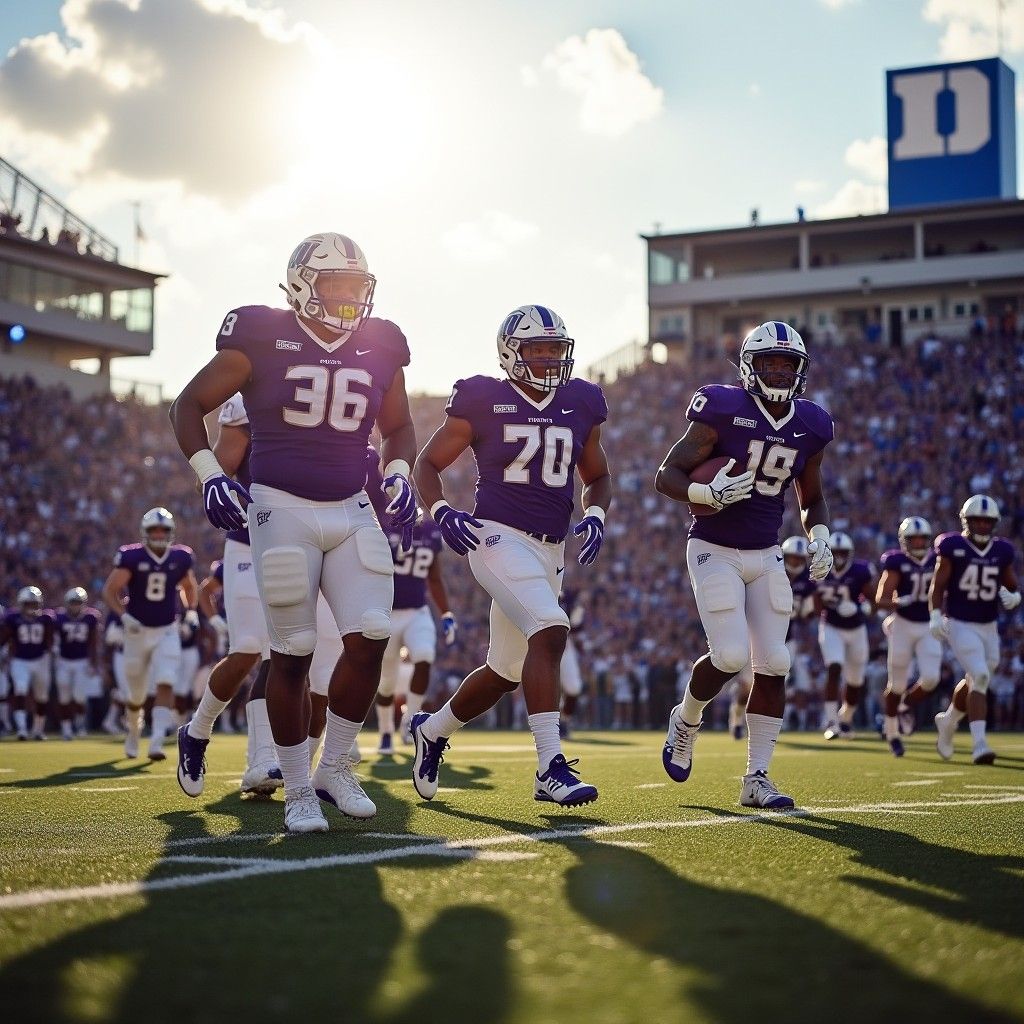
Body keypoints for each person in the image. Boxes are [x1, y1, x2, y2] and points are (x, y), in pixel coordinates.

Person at [169, 232, 418, 834]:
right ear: (304, 283)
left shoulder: (381, 342)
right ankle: (297, 787)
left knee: (371, 636)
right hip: (279, 504)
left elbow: (401, 423)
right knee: (292, 649)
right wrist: (208, 475)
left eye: (356, 286)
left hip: (352, 504)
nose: (347, 298)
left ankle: (334, 767)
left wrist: (402, 469)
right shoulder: (258, 332)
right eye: (335, 285)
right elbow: (187, 404)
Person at [410, 304, 612, 807]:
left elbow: (599, 476)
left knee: (504, 670)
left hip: (551, 548)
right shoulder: (482, 397)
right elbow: (427, 463)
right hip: (496, 537)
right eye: (536, 350)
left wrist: (596, 514)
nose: (548, 360)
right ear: (511, 353)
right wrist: (439, 509)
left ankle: (432, 731)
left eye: (554, 350)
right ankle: (550, 767)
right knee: (550, 626)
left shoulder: (581, 401)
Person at [655, 320, 834, 810]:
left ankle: (756, 777)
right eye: (769, 362)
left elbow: (811, 497)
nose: (778, 372)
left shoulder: (811, 424)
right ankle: (686, 719)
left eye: (787, 363)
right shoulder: (724, 408)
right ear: (749, 366)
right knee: (731, 656)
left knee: (775, 662)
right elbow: (666, 474)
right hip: (714, 546)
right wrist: (704, 492)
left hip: (767, 552)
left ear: (800, 370)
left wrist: (819, 534)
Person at [101, 508, 199, 760]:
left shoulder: (181, 557)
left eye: (163, 530)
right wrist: (124, 616)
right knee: (135, 694)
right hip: (137, 631)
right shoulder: (131, 556)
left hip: (167, 629)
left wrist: (190, 612)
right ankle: (134, 731)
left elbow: (189, 586)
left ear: (170, 532)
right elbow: (110, 590)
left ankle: (156, 740)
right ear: (145, 533)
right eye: (154, 530)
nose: (158, 534)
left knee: (166, 679)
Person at [931, 495, 1019, 765]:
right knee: (980, 676)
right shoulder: (953, 546)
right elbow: (939, 584)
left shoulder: (1001, 550)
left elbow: (1011, 583)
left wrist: (1016, 596)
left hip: (988, 625)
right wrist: (935, 615)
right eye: (976, 520)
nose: (981, 525)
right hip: (959, 622)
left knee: (976, 678)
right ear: (966, 522)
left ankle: (948, 721)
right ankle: (979, 744)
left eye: (986, 521)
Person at [376, 515, 455, 753]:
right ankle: (385, 731)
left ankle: (410, 721)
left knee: (424, 655)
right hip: (387, 611)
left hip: (417, 611)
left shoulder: (431, 529)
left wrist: (446, 613)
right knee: (387, 681)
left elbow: (434, 577)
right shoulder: (383, 523)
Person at [875, 517, 941, 756]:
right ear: (904, 541)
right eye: (913, 539)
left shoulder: (938, 559)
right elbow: (881, 599)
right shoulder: (896, 562)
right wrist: (897, 601)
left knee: (932, 678)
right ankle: (892, 732)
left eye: (922, 538)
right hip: (902, 624)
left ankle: (905, 705)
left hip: (927, 625)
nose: (918, 543)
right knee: (897, 684)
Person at [815, 532, 875, 739]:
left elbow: (872, 600)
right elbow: (816, 604)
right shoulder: (820, 570)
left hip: (857, 629)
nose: (839, 556)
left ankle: (846, 717)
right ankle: (831, 720)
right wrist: (827, 607)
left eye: (843, 552)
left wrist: (861, 608)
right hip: (831, 626)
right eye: (836, 552)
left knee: (855, 681)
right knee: (834, 667)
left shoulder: (860, 571)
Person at [1, 587, 55, 740]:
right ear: (21, 603)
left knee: (42, 697)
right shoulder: (12, 618)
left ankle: (38, 730)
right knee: (20, 689)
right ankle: (22, 729)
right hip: (20, 660)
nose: (31, 607)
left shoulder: (47, 618)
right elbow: (4, 638)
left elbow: (50, 640)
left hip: (41, 659)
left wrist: (51, 653)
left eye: (34, 604)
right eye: (28, 604)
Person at [53, 587, 102, 739]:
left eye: (78, 602)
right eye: (73, 602)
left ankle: (80, 725)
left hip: (82, 661)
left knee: (80, 697)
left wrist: (94, 663)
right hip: (63, 661)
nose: (75, 605)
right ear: (67, 603)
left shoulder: (91, 617)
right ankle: (66, 729)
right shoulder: (59, 618)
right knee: (64, 697)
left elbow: (93, 643)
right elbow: (53, 639)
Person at [781, 535, 817, 730]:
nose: (794, 562)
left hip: (789, 636)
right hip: (764, 631)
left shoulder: (807, 582)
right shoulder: (773, 572)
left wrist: (809, 612)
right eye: (792, 557)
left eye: (799, 558)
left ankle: (782, 719)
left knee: (782, 679)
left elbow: (808, 615)